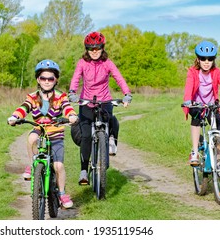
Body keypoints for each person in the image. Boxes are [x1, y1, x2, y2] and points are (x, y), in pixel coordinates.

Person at [7, 59, 78, 208]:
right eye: (43, 78)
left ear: (56, 79)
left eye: (50, 78)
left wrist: (71, 115)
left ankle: (62, 193)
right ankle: (32, 164)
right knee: (31, 138)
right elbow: (24, 108)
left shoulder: (61, 96)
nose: (46, 81)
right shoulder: (32, 97)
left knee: (58, 166)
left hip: (56, 132)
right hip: (39, 128)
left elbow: (67, 108)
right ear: (38, 79)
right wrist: (15, 117)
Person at [68, 31, 132, 185]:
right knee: (86, 136)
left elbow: (119, 77)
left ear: (102, 48)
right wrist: (72, 93)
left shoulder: (107, 63)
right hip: (86, 102)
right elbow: (76, 78)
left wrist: (127, 94)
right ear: (87, 50)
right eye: (91, 49)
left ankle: (111, 140)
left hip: (104, 100)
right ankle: (83, 171)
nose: (94, 52)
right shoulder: (82, 63)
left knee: (111, 119)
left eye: (97, 48)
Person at [182, 41, 220, 166]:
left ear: (213, 60)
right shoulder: (193, 72)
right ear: (198, 59)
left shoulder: (216, 72)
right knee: (196, 118)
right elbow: (189, 87)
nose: (206, 62)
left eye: (210, 59)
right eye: (203, 58)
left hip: (211, 105)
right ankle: (195, 152)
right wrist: (188, 101)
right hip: (196, 104)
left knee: (219, 128)